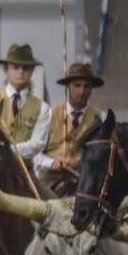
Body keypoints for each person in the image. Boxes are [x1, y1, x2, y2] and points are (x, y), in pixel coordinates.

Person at [0, 43, 50, 169]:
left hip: (23, 171)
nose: (21, 71)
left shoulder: (42, 108)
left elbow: (37, 144)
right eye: (16, 67)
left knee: (42, 190)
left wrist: (8, 151)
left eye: (26, 68)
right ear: (6, 70)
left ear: (32, 71)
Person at [34, 61, 106, 195]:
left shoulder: (101, 119)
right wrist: (52, 162)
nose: (82, 91)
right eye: (77, 85)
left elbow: (105, 157)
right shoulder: (48, 115)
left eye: (86, 86)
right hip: (49, 188)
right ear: (68, 86)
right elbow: (34, 155)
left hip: (86, 187)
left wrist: (79, 163)